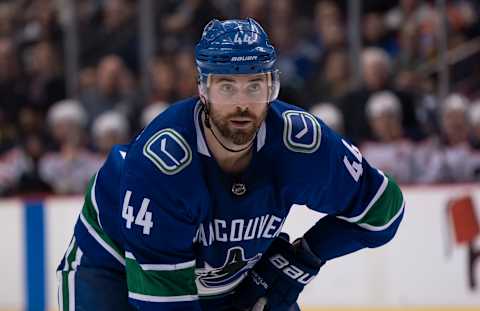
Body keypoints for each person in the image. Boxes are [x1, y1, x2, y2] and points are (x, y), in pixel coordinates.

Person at [57, 18, 404, 311]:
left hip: (228, 281)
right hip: (113, 266)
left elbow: (383, 213)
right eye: (227, 87)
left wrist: (304, 258)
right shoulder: (162, 167)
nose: (242, 105)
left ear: (272, 87)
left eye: (254, 86)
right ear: (203, 90)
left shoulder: (302, 145)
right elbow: (165, 304)